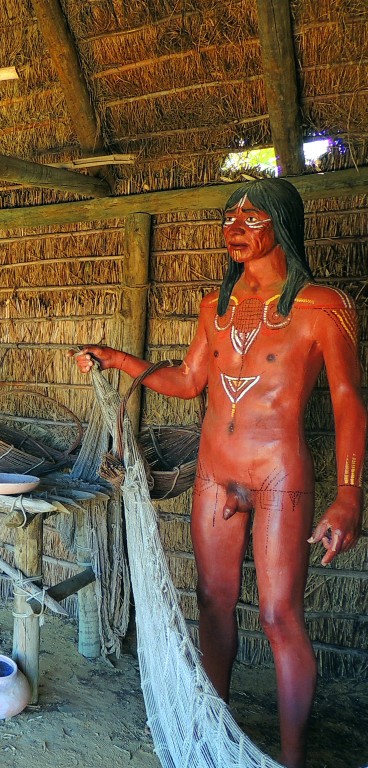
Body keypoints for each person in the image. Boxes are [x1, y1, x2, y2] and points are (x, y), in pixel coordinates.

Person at [73, 177, 365, 768]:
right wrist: (118, 359)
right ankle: (214, 736)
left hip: (279, 474)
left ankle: (290, 760)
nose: (234, 229)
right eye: (229, 219)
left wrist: (349, 496)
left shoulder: (322, 307)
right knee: (212, 602)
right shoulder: (217, 307)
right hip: (215, 472)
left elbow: (348, 401)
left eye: (251, 218)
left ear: (282, 226)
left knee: (280, 616)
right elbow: (189, 381)